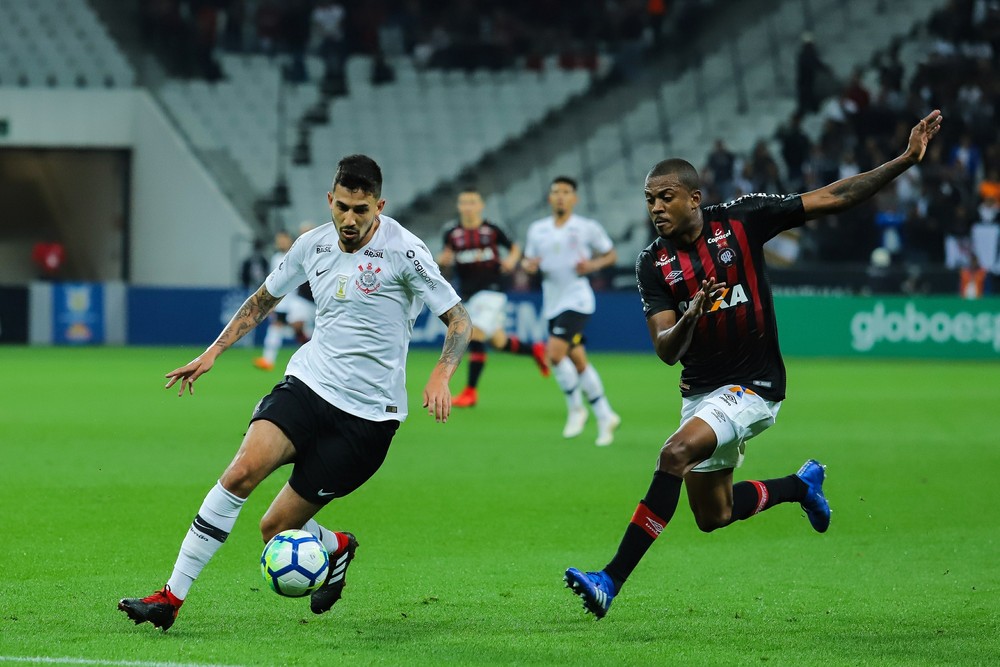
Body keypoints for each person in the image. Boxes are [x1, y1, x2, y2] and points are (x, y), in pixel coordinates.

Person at [564, 110, 943, 618]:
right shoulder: (652, 263)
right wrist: (693, 313)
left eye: (666, 196)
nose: (656, 207)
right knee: (713, 515)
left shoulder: (742, 220)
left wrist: (904, 160)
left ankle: (609, 579)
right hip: (701, 392)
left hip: (755, 386)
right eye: (649, 199)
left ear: (694, 197)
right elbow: (666, 350)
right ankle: (799, 485)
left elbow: (835, 197)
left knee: (673, 454)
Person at [119, 155, 471, 631]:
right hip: (308, 385)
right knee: (240, 473)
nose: (349, 219)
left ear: (379, 206)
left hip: (367, 419)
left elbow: (459, 320)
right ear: (330, 199)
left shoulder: (405, 252)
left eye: (361, 210)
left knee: (274, 529)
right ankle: (169, 597)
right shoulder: (312, 245)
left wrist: (441, 376)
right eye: (342, 207)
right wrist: (214, 352)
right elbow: (263, 299)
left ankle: (338, 546)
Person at [522, 177, 621, 446]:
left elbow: (611, 254)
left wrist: (592, 265)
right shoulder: (537, 230)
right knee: (578, 360)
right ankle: (605, 414)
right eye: (556, 192)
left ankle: (576, 408)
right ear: (549, 198)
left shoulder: (586, 227)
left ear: (574, 198)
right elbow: (529, 261)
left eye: (566, 192)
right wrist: (529, 266)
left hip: (577, 300)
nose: (560, 196)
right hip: (552, 301)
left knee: (554, 354)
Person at [436, 187, 550, 408]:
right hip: (468, 294)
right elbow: (445, 258)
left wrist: (511, 261)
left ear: (480, 206)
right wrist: (443, 261)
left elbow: (514, 248)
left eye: (472, 202)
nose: (468, 207)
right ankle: (534, 350)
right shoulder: (451, 233)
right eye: (464, 202)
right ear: (459, 207)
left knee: (474, 333)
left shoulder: (492, 229)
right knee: (498, 342)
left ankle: (470, 392)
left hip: (492, 291)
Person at [253, 224, 317, 371]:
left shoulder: (304, 253)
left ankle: (313, 355)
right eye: (279, 239)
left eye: (283, 239)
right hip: (286, 301)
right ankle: (268, 360)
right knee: (281, 326)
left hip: (305, 300)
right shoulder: (277, 257)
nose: (281, 242)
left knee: (299, 328)